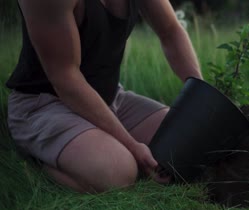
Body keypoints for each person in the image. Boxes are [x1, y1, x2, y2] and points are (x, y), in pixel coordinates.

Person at [5, 0, 203, 193]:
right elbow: (65, 76)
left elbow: (170, 31)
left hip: (110, 99)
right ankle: (36, 164)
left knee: (183, 140)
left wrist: (203, 97)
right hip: (44, 105)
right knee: (119, 172)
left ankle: (93, 152)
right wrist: (132, 146)